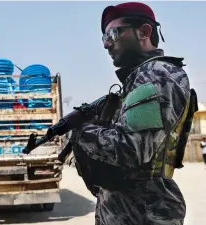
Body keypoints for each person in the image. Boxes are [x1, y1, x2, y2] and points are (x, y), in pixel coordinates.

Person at [69, 2, 198, 225]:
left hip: (144, 214)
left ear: (144, 32)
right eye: (103, 37)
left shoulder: (156, 75)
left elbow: (131, 149)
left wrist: (82, 130)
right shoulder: (139, 78)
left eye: (113, 33)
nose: (107, 44)